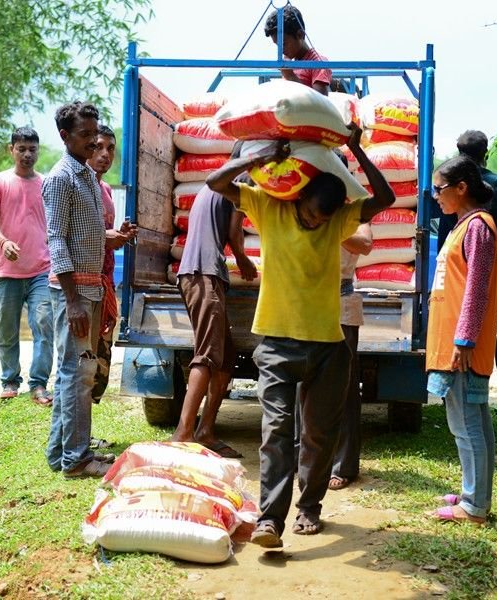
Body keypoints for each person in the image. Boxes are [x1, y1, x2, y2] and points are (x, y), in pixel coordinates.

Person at [206, 125, 395, 547]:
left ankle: (309, 509)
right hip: (276, 343)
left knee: (318, 434)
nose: (316, 222)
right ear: (299, 196)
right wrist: (257, 160)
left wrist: (357, 150)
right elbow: (216, 182)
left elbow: (384, 200)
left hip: (329, 345)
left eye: (324, 218)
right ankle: (270, 520)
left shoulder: (337, 218)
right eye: (311, 213)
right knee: (275, 433)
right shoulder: (268, 206)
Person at [43, 101, 119, 478]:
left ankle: (60, 454)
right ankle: (77, 459)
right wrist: (72, 300)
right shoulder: (60, 178)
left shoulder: (86, 176)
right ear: (65, 136)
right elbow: (56, 240)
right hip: (73, 292)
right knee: (77, 373)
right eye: (85, 136)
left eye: (95, 134)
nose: (93, 143)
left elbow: (85, 235)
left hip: (90, 287)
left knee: (76, 371)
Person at [170, 149, 258, 459]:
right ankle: (183, 432)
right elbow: (235, 231)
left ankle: (206, 430)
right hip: (203, 273)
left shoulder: (213, 184)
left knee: (226, 357)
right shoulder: (241, 180)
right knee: (207, 355)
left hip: (204, 273)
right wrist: (245, 261)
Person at [427, 155, 497, 525]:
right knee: (472, 420)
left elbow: (477, 289)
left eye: (440, 189)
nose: (434, 195)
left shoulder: (478, 228)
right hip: (456, 342)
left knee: (466, 423)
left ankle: (474, 506)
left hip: (462, 347)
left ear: (461, 188)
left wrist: (464, 340)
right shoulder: (463, 226)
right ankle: (475, 492)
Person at [0, 127, 54, 405]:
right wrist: (3, 241)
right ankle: (10, 380)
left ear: (38, 151)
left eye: (32, 149)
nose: (27, 154)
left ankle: (39, 384)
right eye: (21, 148)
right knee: (6, 330)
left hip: (41, 270)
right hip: (6, 271)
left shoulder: (46, 183)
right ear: (11, 149)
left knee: (44, 326)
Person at [86, 125, 137, 449]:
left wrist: (117, 235)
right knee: (83, 364)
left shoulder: (104, 191)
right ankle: (75, 438)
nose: (105, 154)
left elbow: (101, 237)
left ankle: (83, 432)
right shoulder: (80, 186)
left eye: (111, 149)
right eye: (99, 147)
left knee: (99, 364)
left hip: (104, 285)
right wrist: (110, 237)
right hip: (85, 285)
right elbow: (80, 234)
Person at [437, 130, 497, 298]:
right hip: (493, 272)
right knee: (486, 323)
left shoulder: (448, 186)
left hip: (452, 273)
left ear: (459, 154)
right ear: (486, 154)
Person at [328, 223, 373, 490]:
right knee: (304, 385)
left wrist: (327, 224)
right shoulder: (306, 203)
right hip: (307, 302)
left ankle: (343, 465)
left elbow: (365, 244)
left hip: (341, 301)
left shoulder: (355, 216)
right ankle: (306, 459)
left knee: (343, 386)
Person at [264, 4, 331, 95]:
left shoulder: (318, 63)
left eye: (283, 44)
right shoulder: (291, 64)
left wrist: (290, 76)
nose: (281, 50)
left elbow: (322, 103)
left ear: (300, 34)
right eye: (277, 46)